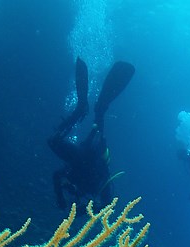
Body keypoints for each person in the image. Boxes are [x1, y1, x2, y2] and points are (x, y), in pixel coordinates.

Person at [48, 57, 135, 211]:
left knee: (53, 141)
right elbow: (107, 203)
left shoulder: (73, 180)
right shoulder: (99, 188)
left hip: (79, 157)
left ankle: (81, 110)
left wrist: (60, 196)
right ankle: (98, 110)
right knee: (96, 134)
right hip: (93, 157)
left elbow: (57, 175)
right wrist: (88, 207)